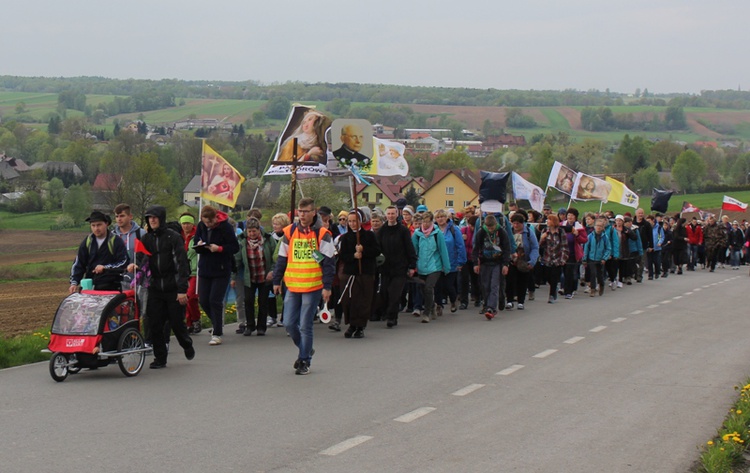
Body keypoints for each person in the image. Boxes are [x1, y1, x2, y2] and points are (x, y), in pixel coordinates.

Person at [273, 198, 335, 375]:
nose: (302, 215)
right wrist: (277, 281)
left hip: (313, 285)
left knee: (305, 325)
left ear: (314, 212)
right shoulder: (290, 231)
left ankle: (304, 360)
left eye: (306, 211)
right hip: (292, 285)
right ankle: (305, 348)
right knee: (289, 323)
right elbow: (282, 258)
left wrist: (327, 286)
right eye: (300, 211)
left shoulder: (322, 234)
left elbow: (328, 262)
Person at [128, 205, 194, 369]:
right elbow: (141, 258)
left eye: (155, 217)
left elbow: (182, 264)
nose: (152, 220)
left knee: (177, 324)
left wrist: (181, 290)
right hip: (155, 288)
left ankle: (186, 344)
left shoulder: (173, 237)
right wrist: (135, 266)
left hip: (173, 288)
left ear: (161, 219)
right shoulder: (146, 239)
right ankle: (160, 358)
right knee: (154, 324)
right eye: (149, 218)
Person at [193, 205, 239, 346]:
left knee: (215, 300)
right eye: (205, 222)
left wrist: (219, 248)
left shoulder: (225, 227)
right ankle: (216, 322)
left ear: (215, 218)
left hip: (221, 268)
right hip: (205, 267)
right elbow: (195, 243)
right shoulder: (201, 226)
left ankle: (217, 333)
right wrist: (200, 245)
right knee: (203, 300)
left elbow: (234, 247)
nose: (207, 225)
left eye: (210, 222)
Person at [339, 209, 381, 338]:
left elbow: (377, 250)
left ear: (360, 221)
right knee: (350, 300)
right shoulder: (345, 237)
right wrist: (354, 255)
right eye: (349, 221)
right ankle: (351, 324)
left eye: (354, 221)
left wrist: (364, 250)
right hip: (350, 273)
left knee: (363, 300)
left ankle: (360, 326)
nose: (352, 224)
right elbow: (342, 255)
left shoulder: (369, 236)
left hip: (366, 272)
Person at [377, 205, 417, 328]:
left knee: (394, 293)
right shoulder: (382, 231)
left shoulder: (403, 230)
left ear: (397, 215)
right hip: (385, 268)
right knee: (385, 292)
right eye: (388, 214)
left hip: (400, 267)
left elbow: (409, 248)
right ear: (385, 215)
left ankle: (392, 317)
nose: (390, 216)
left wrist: (412, 265)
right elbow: (377, 249)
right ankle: (385, 312)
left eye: (392, 214)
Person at [69, 211, 129, 293]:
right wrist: (74, 282)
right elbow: (79, 262)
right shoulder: (88, 241)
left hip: (111, 286)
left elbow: (124, 262)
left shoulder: (115, 241)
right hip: (90, 285)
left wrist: (105, 267)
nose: (96, 228)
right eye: (93, 225)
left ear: (106, 224)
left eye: (99, 225)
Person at [235, 218, 275, 336]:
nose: (252, 234)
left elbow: (275, 257)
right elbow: (237, 260)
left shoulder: (268, 239)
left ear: (259, 230)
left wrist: (272, 271)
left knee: (263, 302)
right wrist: (233, 277)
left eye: (254, 231)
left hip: (264, 276)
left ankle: (261, 327)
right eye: (249, 231)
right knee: (248, 301)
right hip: (249, 277)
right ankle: (250, 326)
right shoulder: (242, 241)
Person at [412, 211, 451, 323]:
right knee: (422, 289)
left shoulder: (437, 233)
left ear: (431, 221)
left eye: (428, 222)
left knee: (429, 287)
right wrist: (412, 265)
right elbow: (414, 251)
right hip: (421, 266)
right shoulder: (417, 234)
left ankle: (426, 313)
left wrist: (446, 266)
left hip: (435, 266)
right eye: (423, 221)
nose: (425, 224)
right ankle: (432, 304)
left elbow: (443, 250)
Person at [472, 214, 511, 319]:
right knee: (485, 286)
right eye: (488, 227)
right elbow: (475, 249)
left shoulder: (502, 232)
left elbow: (507, 249)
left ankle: (491, 307)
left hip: (497, 263)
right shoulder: (481, 232)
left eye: (492, 228)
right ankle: (486, 303)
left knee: (494, 285)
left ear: (496, 224)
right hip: (485, 262)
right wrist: (475, 263)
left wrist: (506, 264)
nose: (490, 230)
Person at [434, 209, 466, 314]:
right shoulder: (434, 229)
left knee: (449, 285)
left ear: (446, 218)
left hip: (452, 262)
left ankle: (453, 301)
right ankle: (439, 305)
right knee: (438, 286)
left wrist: (460, 262)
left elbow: (460, 245)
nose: (440, 219)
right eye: (438, 217)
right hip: (437, 263)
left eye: (442, 217)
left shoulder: (454, 229)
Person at [505, 213, 539, 310]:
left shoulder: (528, 232)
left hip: (524, 261)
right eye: (514, 223)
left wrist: (532, 261)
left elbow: (535, 247)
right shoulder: (509, 232)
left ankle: (521, 301)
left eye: (518, 224)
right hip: (511, 260)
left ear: (522, 224)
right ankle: (510, 301)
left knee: (522, 281)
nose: (515, 226)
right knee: (510, 281)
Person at [539, 214, 569, 304]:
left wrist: (563, 259)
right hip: (547, 258)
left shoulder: (561, 232)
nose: (547, 221)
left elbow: (564, 246)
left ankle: (552, 295)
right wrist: (542, 238)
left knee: (554, 277)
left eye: (549, 220)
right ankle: (554, 287)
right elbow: (541, 246)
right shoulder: (545, 231)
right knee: (547, 277)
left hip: (557, 259)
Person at [179, 212, 201, 334]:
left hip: (194, 270)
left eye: (188, 223)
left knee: (191, 297)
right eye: (183, 223)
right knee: (183, 298)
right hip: (182, 271)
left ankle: (196, 319)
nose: (186, 226)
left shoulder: (197, 235)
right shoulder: (179, 236)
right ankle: (189, 322)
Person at [113, 203, 145, 283]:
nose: (119, 219)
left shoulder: (141, 234)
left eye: (122, 216)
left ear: (130, 216)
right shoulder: (112, 235)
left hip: (137, 275)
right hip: (116, 275)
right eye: (117, 216)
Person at [583, 217, 610, 297]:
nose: (598, 227)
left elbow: (608, 248)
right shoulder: (590, 237)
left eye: (600, 226)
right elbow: (586, 248)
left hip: (600, 259)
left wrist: (604, 258)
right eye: (597, 225)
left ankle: (601, 285)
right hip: (591, 259)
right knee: (593, 273)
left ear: (603, 227)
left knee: (600, 274)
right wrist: (584, 259)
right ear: (594, 226)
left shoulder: (605, 237)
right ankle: (593, 289)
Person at [633, 208, 653, 283]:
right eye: (639, 213)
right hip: (634, 246)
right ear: (636, 214)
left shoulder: (646, 224)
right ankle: (634, 273)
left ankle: (639, 276)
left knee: (641, 261)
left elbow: (650, 235)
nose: (640, 215)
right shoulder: (632, 223)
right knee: (634, 261)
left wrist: (651, 246)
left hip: (643, 245)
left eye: (642, 213)